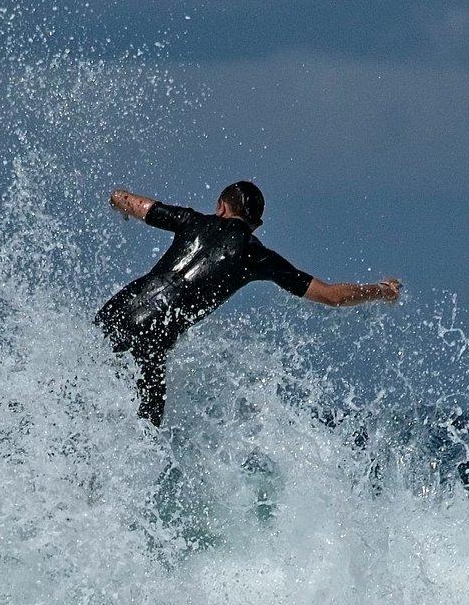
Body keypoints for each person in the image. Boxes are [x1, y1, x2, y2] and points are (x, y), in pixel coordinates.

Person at [95, 180, 401, 425]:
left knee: (83, 380)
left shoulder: (190, 220)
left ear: (221, 207)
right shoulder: (256, 255)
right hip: (151, 339)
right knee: (144, 432)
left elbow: (126, 200)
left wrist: (118, 202)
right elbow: (334, 296)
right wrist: (381, 290)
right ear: (256, 225)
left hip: (117, 309)